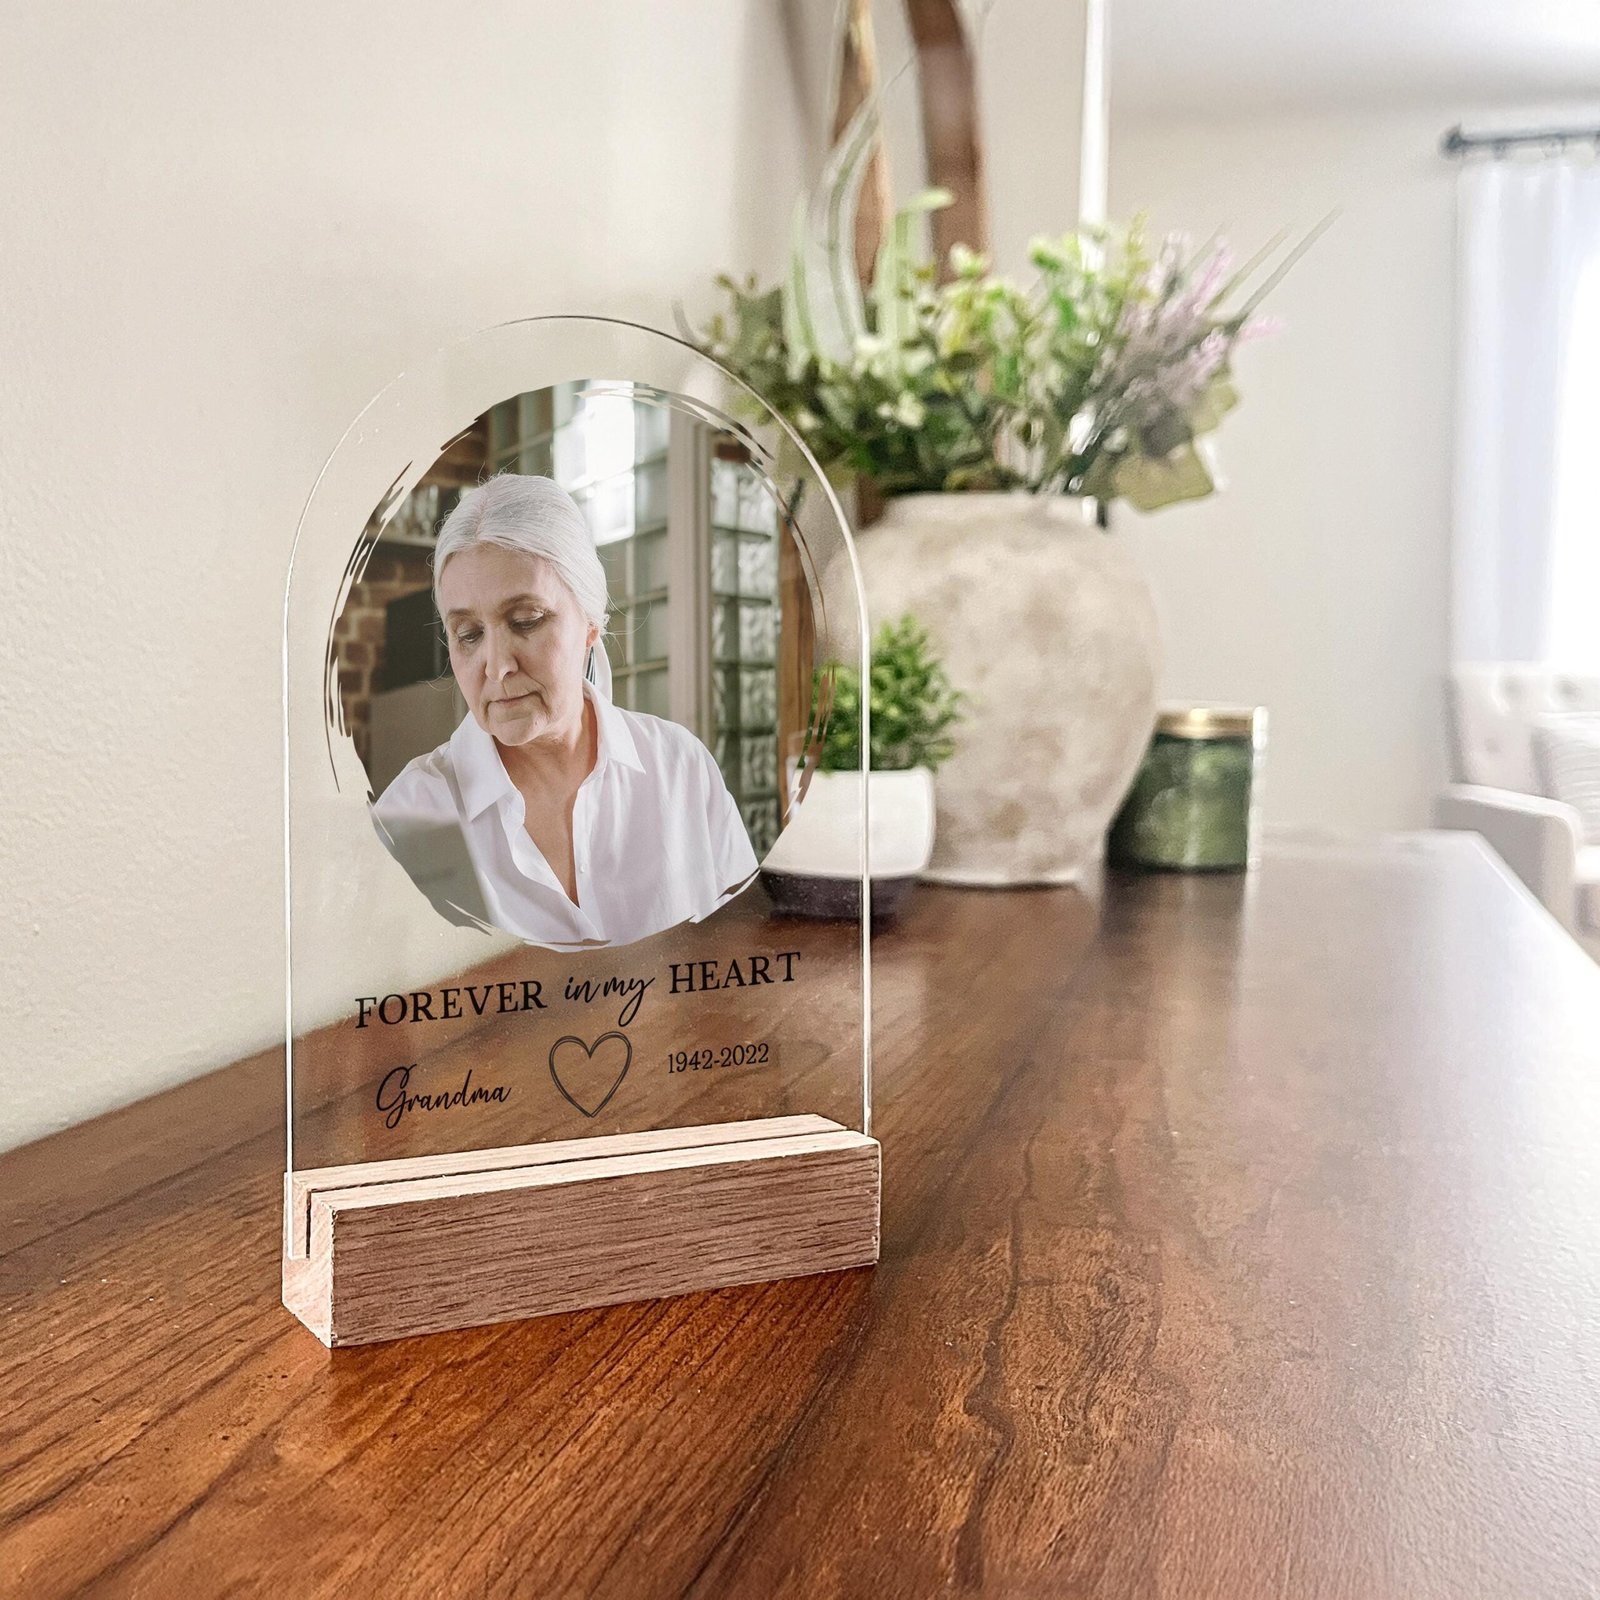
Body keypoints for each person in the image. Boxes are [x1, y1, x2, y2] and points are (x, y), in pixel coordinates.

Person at [372, 474, 758, 949]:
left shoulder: (681, 769)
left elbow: (748, 953)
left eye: (526, 621)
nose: (497, 666)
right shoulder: (410, 819)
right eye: (469, 634)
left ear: (591, 622)